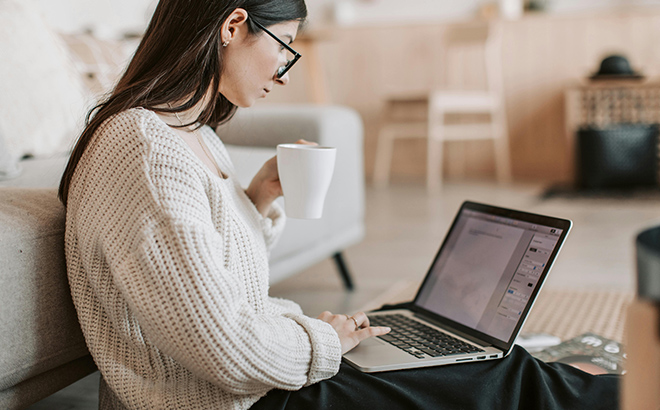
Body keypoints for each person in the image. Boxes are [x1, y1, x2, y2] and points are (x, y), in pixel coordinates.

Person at [58, 1, 620, 409]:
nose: (283, 72)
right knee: (512, 379)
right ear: (233, 25)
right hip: (231, 401)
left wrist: (254, 202)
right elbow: (224, 349)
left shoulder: (191, 136)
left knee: (494, 369)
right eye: (284, 49)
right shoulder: (144, 147)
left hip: (252, 385)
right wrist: (325, 340)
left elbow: (214, 287)